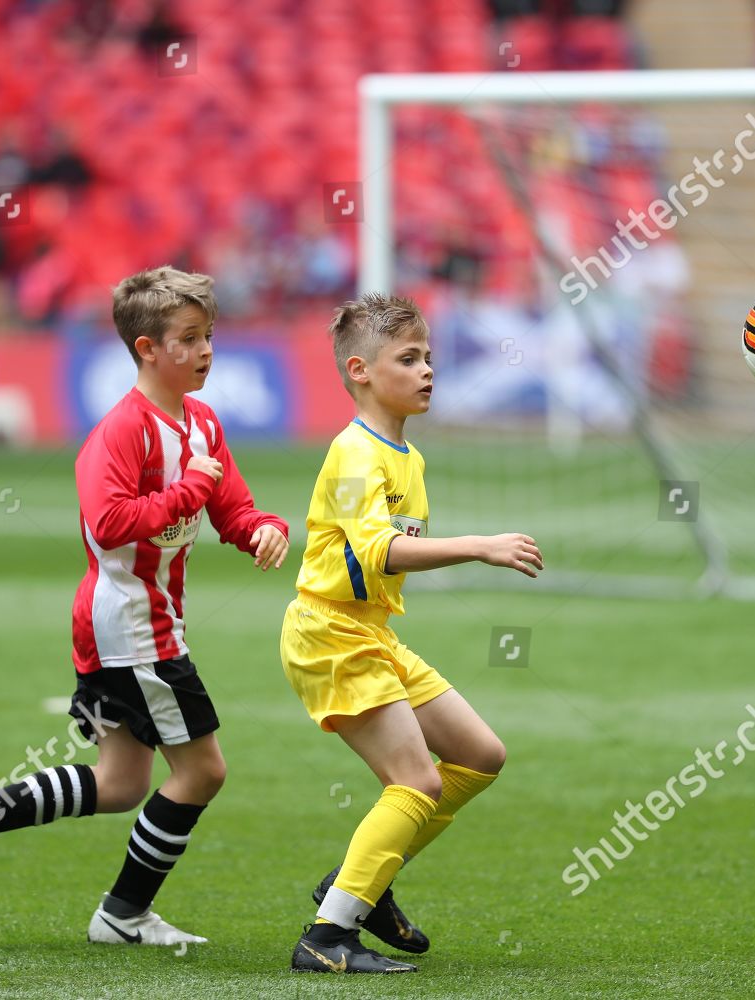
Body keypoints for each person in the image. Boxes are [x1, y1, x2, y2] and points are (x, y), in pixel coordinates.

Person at [0, 267, 289, 946]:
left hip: (135, 623)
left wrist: (264, 529)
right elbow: (107, 522)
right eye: (189, 339)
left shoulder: (202, 423)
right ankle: (123, 914)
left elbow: (232, 508)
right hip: (132, 628)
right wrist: (187, 492)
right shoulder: (122, 431)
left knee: (118, 784)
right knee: (202, 771)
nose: (205, 351)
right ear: (147, 349)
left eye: (209, 336)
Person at [280, 294, 543, 973]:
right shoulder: (354, 453)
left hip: (371, 633)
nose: (428, 370)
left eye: (428, 357)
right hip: (331, 635)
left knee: (481, 755)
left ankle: (361, 882)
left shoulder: (407, 456)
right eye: (409, 358)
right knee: (418, 781)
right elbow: (377, 551)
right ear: (361, 370)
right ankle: (326, 937)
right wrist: (479, 545)